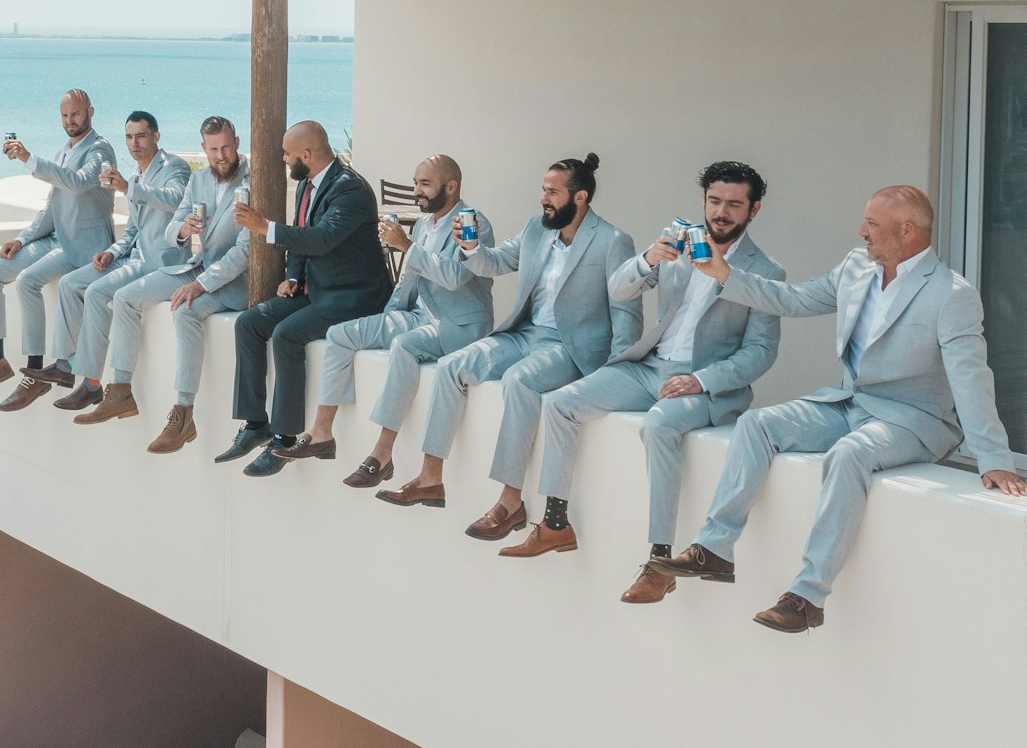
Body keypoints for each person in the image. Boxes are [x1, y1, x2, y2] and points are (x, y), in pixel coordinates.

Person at [653, 185, 1026, 633]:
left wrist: (995, 459)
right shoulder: (856, 266)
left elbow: (971, 377)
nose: (861, 231)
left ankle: (808, 596)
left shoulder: (950, 294)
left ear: (906, 230)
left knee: (849, 454)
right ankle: (713, 550)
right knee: (757, 424)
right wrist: (723, 273)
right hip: (849, 402)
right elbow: (793, 299)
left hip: (914, 419)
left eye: (871, 223)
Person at [500, 162, 783, 608]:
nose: (721, 212)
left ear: (755, 209)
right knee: (559, 404)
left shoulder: (765, 270)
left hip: (706, 385)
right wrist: (649, 259)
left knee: (658, 427)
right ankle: (555, 523)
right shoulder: (681, 240)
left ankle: (659, 561)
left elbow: (760, 352)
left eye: (733, 204)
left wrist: (700, 379)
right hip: (649, 367)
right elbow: (619, 289)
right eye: (714, 201)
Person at [378, 154, 640, 543]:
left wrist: (618, 369)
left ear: (580, 196)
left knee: (519, 381)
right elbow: (496, 262)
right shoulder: (537, 229)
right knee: (453, 366)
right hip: (524, 333)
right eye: (543, 190)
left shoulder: (612, 240)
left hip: (570, 347)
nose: (543, 199)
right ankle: (431, 477)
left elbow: (626, 308)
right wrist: (469, 248)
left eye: (552, 192)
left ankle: (509, 501)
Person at [278, 155, 494, 487]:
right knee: (341, 335)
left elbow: (455, 277)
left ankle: (382, 453)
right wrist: (385, 318)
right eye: (415, 182)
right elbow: (408, 281)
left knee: (405, 346)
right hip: (420, 317)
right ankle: (322, 433)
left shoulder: (473, 223)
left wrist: (407, 246)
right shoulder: (423, 225)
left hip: (461, 324)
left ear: (451, 187)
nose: (416, 191)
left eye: (424, 184)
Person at [216, 120, 392, 477]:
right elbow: (300, 235)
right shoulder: (307, 185)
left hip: (354, 297)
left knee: (286, 334)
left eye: (287, 153)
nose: (282, 158)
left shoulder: (350, 189)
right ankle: (255, 425)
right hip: (316, 289)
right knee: (250, 323)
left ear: (307, 155)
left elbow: (322, 238)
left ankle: (283, 438)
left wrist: (264, 227)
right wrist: (293, 275)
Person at [75, 116, 250, 452]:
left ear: (237, 143)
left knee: (185, 311)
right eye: (213, 149)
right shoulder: (199, 179)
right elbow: (172, 231)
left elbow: (245, 252)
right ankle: (121, 391)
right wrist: (185, 229)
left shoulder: (253, 182)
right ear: (204, 149)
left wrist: (200, 286)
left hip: (233, 280)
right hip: (197, 264)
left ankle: (183, 413)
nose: (221, 156)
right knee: (125, 297)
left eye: (226, 147)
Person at [7, 111, 189, 412]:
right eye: (129, 137)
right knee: (71, 282)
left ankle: (92, 384)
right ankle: (65, 364)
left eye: (141, 136)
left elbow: (175, 199)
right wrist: (112, 252)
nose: (135, 143)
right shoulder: (134, 178)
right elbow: (132, 231)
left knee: (95, 293)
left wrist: (129, 189)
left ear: (156, 136)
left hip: (160, 263)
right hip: (131, 258)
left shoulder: (175, 168)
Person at [0, 89, 116, 400]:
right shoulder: (64, 150)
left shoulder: (101, 151)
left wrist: (28, 158)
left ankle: (35, 373)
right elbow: (51, 207)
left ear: (90, 112)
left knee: (28, 281)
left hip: (84, 248)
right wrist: (21, 239)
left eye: (75, 114)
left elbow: (76, 182)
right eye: (64, 115)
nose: (70, 120)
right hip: (54, 238)